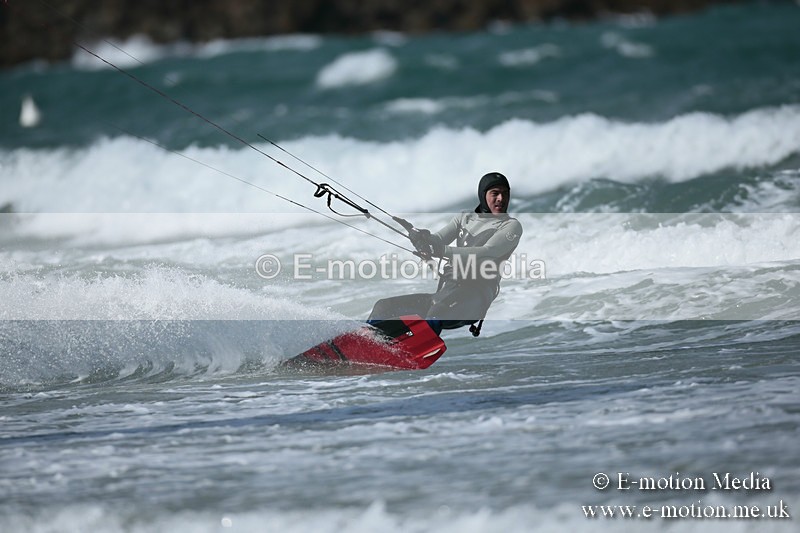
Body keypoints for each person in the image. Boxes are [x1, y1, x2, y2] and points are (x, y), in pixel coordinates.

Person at [367, 172, 522, 336]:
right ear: (483, 195)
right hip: (447, 292)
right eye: (495, 193)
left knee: (437, 311)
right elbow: (439, 240)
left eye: (505, 193)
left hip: (475, 296)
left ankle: (411, 356)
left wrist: (441, 250)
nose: (501, 198)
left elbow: (487, 252)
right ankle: (367, 343)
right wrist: (421, 237)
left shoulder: (510, 226)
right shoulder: (465, 217)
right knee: (384, 307)